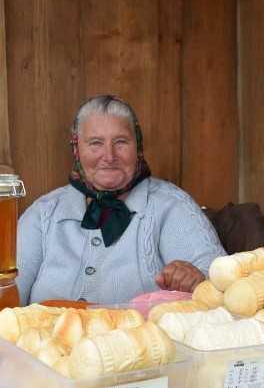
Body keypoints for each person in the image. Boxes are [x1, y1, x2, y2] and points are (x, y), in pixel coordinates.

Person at [16, 94, 227, 306]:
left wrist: (196, 278)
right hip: (46, 338)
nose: (109, 155)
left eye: (121, 142)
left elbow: (220, 280)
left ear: (138, 147)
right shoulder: (44, 213)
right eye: (95, 143)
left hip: (140, 339)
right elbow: (6, 292)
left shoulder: (171, 205)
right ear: (77, 149)